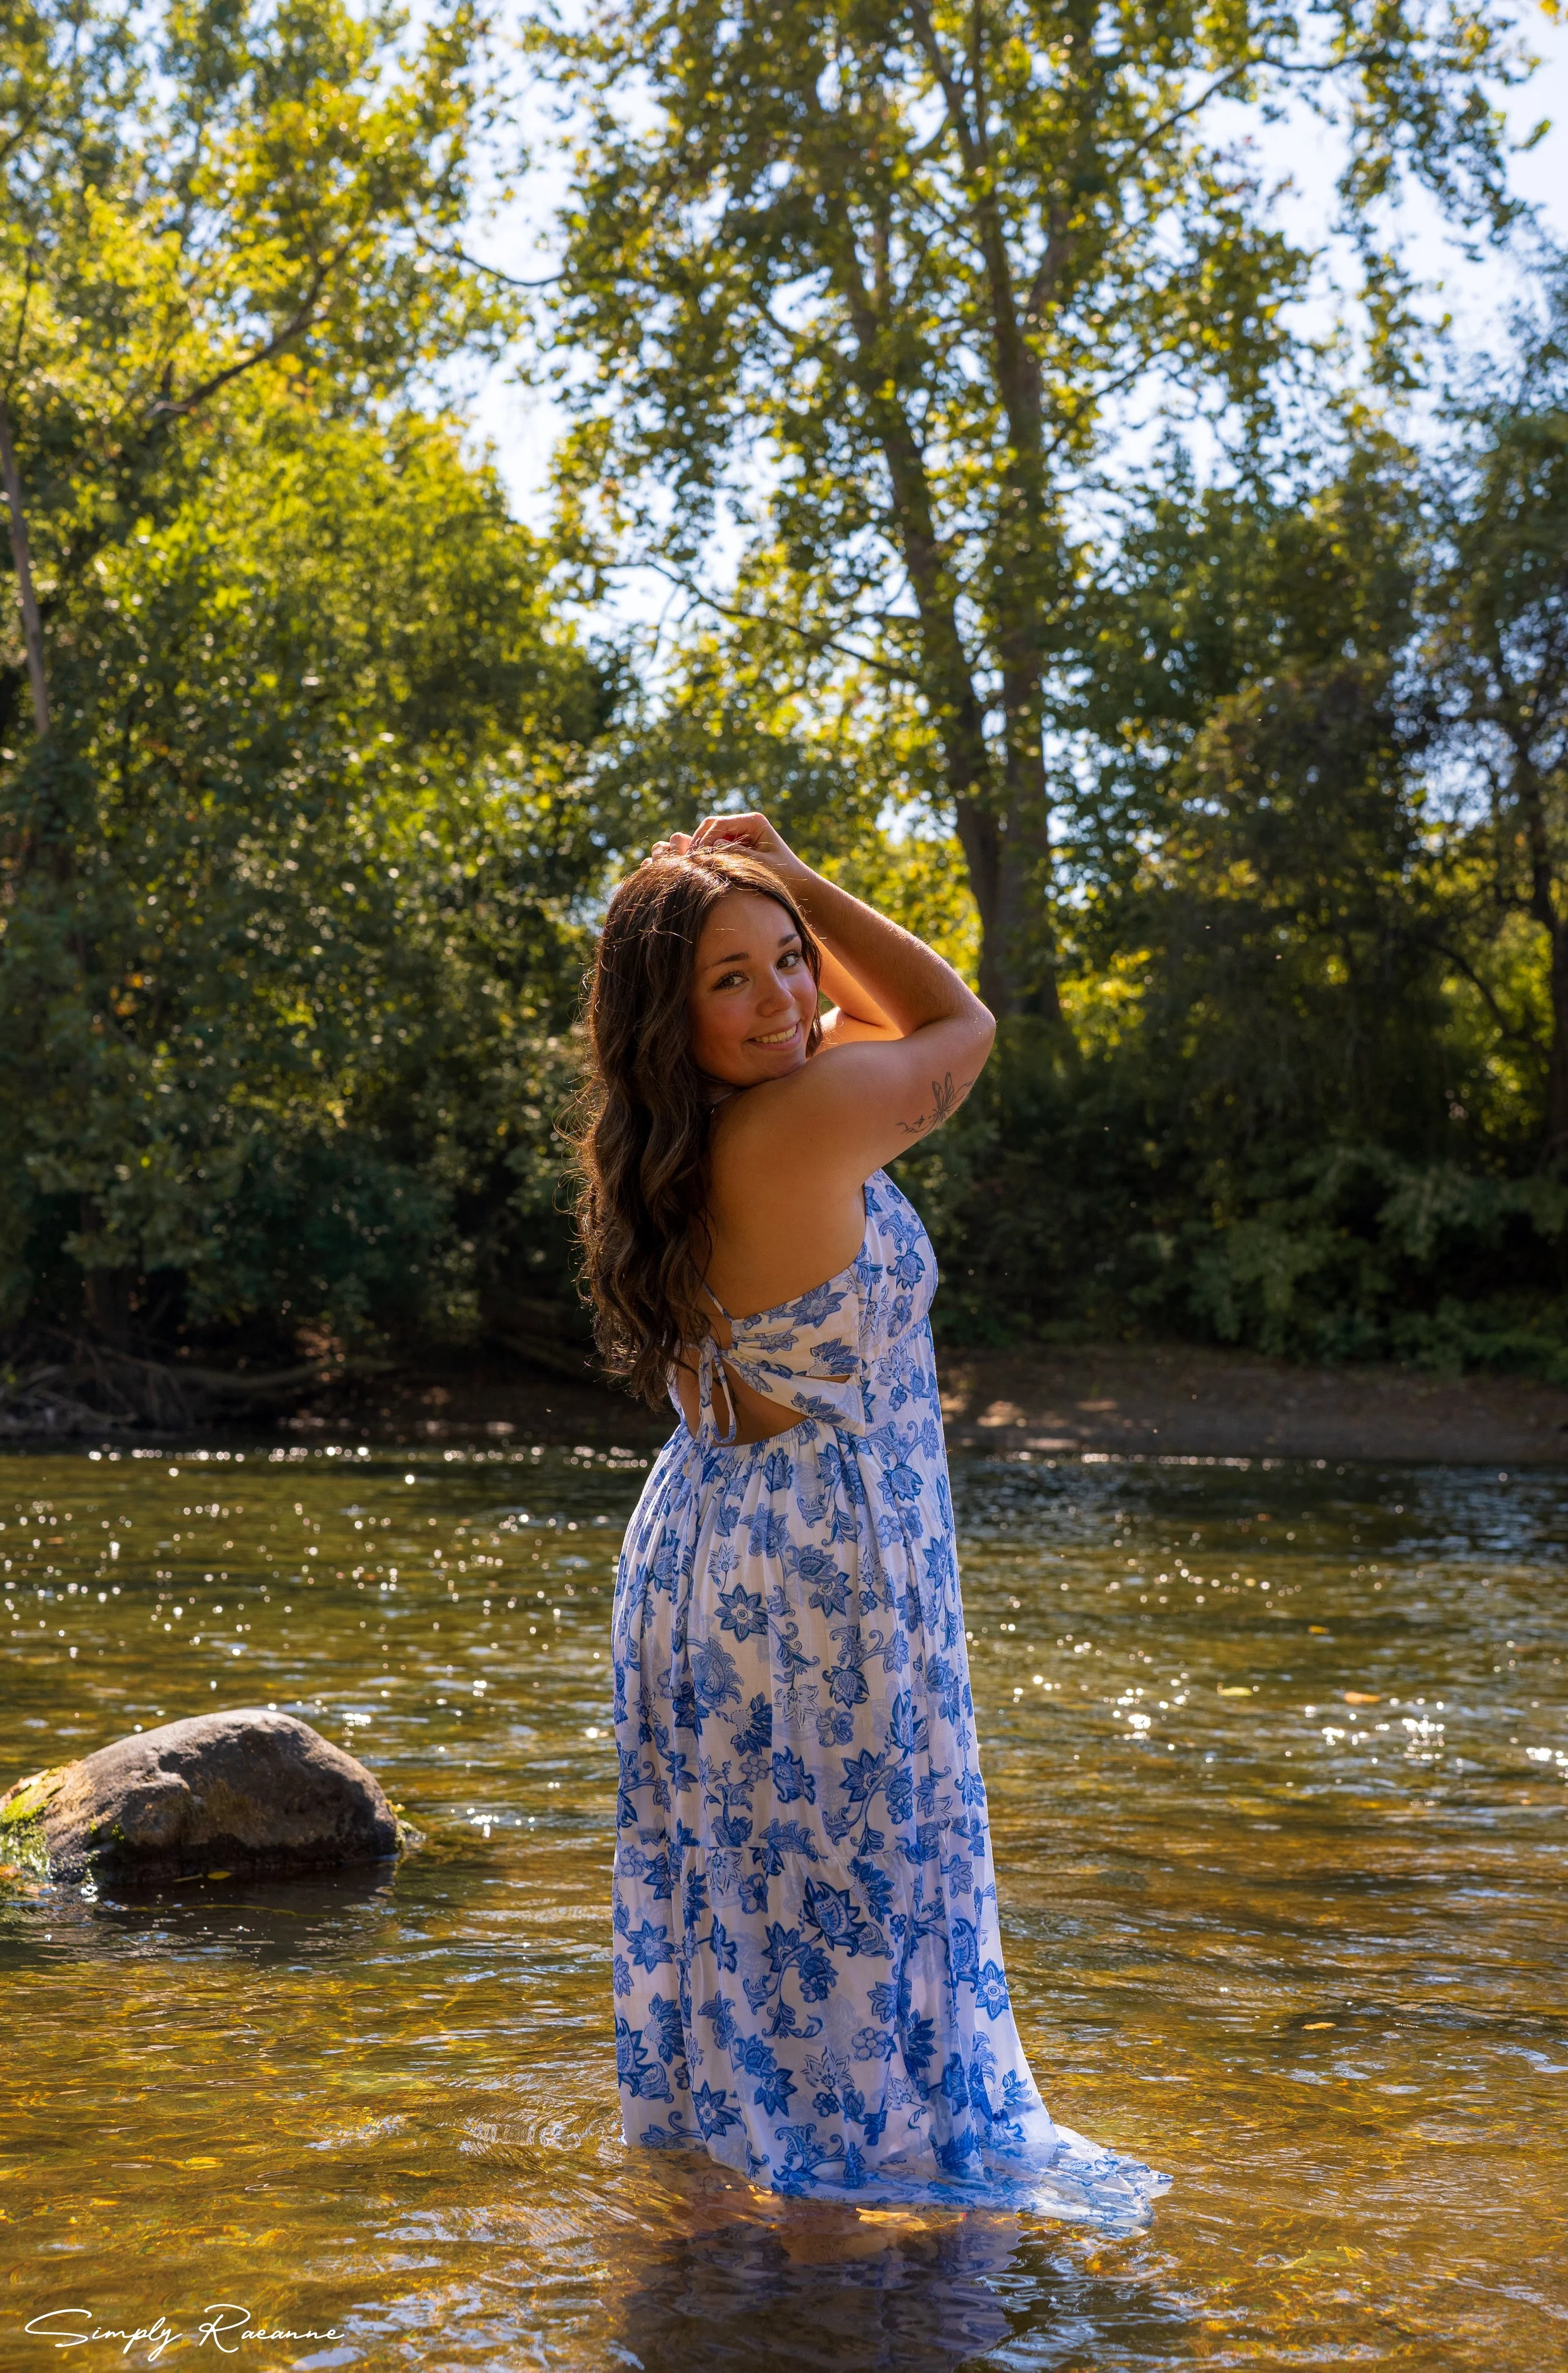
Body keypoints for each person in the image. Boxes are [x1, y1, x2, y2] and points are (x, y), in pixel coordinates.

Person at [576, 811, 1167, 2221]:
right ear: (667, 1008)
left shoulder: (678, 1137)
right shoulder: (806, 1116)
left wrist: (768, 913)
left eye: (790, 961)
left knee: (750, 1904)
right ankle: (838, 2281)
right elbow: (955, 1022)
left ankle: (735, 2240)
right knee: (843, 1904)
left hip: (709, 1545)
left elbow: (872, 1029)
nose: (784, 996)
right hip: (813, 1573)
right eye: (730, 977)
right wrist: (797, 875)